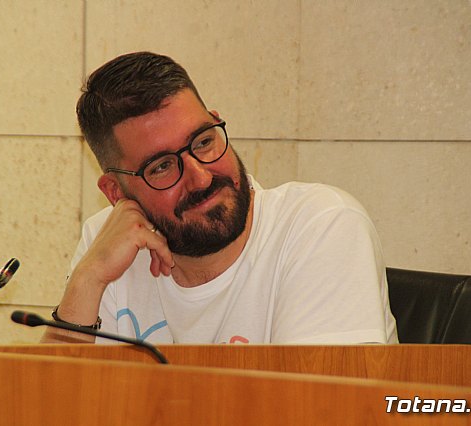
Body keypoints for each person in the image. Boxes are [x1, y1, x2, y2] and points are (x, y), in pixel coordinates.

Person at [42, 51, 398, 344]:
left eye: (204, 141)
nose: (201, 177)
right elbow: (48, 401)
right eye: (162, 166)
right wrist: (87, 279)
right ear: (116, 192)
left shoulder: (320, 226)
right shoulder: (107, 244)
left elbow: (312, 401)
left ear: (216, 121)